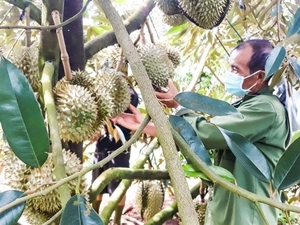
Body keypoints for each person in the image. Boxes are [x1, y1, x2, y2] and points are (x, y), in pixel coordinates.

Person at [112, 39, 291, 225]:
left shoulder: (266, 109)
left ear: (260, 76)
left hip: (246, 215)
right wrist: (149, 127)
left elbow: (207, 133)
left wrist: (180, 103)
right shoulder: (248, 103)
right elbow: (209, 140)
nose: (229, 74)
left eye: (236, 69)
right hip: (230, 208)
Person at [91, 87, 139, 225]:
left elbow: (128, 120)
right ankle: (94, 217)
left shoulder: (130, 94)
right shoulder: (103, 93)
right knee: (97, 185)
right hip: (101, 147)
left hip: (120, 147)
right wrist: (97, 130)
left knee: (118, 188)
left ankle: (117, 221)